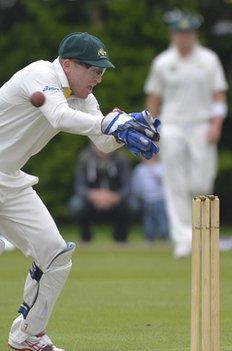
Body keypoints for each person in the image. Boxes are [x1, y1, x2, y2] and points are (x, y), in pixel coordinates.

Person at [0, 32, 158, 350]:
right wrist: (108, 125)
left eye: (101, 72)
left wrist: (126, 127)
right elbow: (58, 115)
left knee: (56, 256)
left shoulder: (81, 96)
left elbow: (101, 138)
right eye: (94, 71)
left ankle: (28, 334)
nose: (98, 79)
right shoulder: (40, 74)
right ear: (69, 64)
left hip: (8, 179)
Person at [144, 9, 228, 258]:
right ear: (173, 35)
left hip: (202, 124)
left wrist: (216, 125)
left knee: (201, 183)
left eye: (188, 34)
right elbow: (154, 99)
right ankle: (182, 239)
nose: (184, 38)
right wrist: (152, 132)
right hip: (172, 125)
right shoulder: (162, 62)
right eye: (179, 34)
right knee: (175, 183)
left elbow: (219, 95)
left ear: (195, 34)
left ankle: (203, 236)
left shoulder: (209, 59)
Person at [69, 144, 132, 243]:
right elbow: (79, 187)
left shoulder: (121, 159)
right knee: (76, 204)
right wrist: (93, 195)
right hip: (91, 200)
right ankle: (85, 238)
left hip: (115, 199)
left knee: (131, 204)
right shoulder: (85, 158)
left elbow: (127, 187)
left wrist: (114, 197)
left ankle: (121, 238)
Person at [131, 155, 169, 242]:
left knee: (161, 218)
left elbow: (163, 180)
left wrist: (152, 170)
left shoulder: (160, 167)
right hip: (146, 199)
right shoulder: (140, 169)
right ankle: (149, 236)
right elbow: (136, 183)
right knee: (148, 219)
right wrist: (136, 195)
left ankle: (164, 236)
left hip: (160, 198)